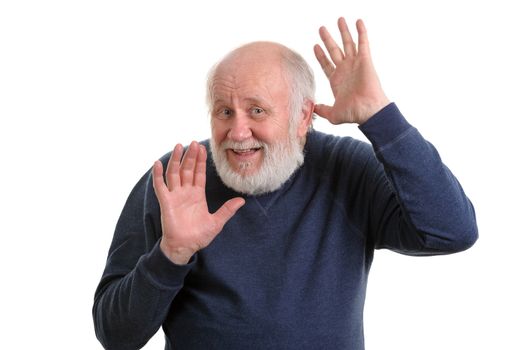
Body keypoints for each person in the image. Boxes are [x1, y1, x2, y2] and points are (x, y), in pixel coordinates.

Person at [93, 17, 477, 349]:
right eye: (224, 112)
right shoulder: (176, 179)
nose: (237, 132)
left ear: (303, 116)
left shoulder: (347, 168)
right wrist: (171, 254)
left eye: (257, 110)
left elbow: (452, 231)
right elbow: (115, 335)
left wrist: (380, 118)